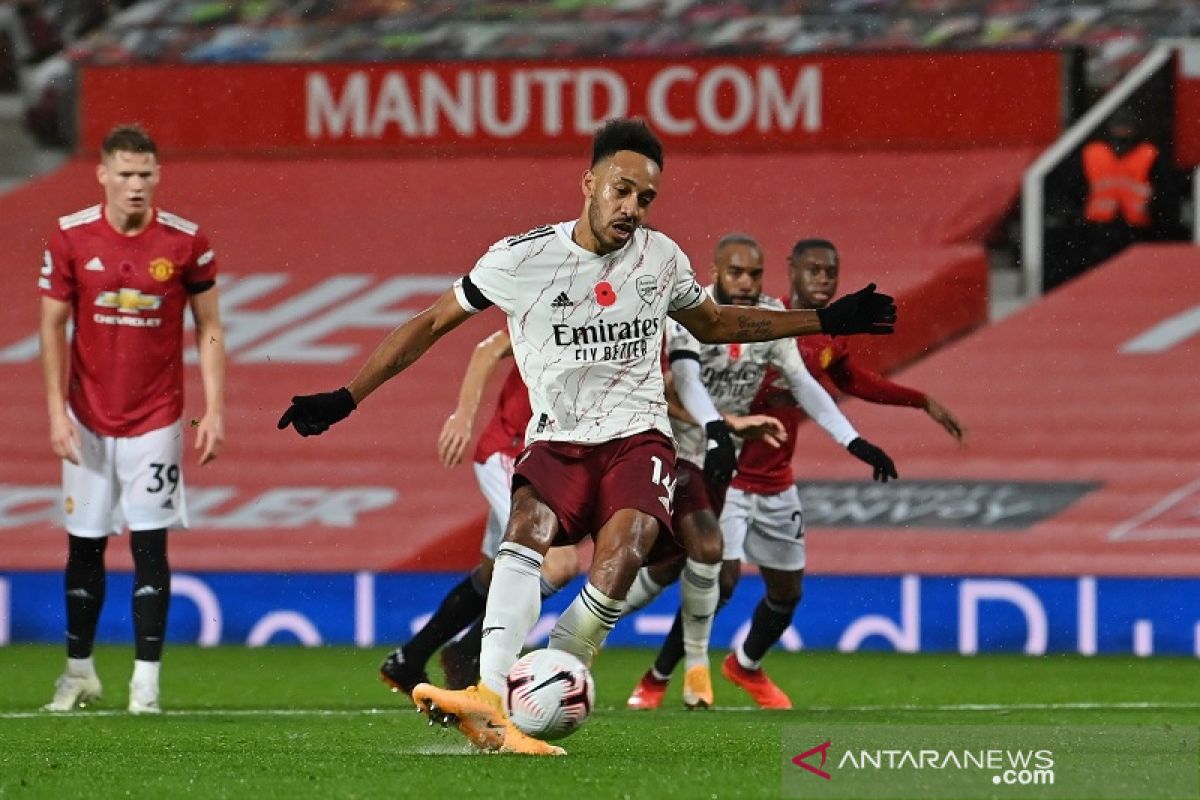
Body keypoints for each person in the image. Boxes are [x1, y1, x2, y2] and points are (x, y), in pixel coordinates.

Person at [278, 118, 895, 755]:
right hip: (556, 438)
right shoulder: (522, 258)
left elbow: (712, 323)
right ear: (589, 184)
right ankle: (491, 699)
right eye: (622, 191)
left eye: (646, 198)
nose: (632, 209)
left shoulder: (661, 258)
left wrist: (823, 317)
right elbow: (432, 322)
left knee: (625, 546)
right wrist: (346, 395)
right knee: (526, 531)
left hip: (637, 437)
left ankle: (558, 666)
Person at [626, 237, 962, 710]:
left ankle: (741, 664)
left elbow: (824, 382)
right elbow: (683, 382)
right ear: (793, 272)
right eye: (814, 271)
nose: (822, 280)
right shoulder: (722, 315)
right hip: (720, 465)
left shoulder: (807, 336)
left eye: (831, 272)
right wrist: (721, 426)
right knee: (703, 572)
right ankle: (657, 676)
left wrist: (861, 437)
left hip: (773, 478)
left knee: (782, 591)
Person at [38, 124, 226, 714]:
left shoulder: (186, 242)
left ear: (157, 176)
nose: (136, 184)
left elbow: (210, 326)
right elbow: (50, 326)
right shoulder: (70, 237)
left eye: (145, 173)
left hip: (156, 420)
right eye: (124, 173)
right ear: (102, 175)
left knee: (150, 547)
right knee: (84, 548)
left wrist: (215, 408)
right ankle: (79, 673)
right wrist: (55, 413)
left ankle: (145, 683)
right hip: (87, 419)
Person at [378, 329, 578, 695]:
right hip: (510, 453)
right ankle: (470, 653)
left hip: (545, 462)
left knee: (491, 576)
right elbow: (487, 349)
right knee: (559, 563)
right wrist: (462, 416)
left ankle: (408, 659)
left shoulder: (616, 317)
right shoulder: (553, 300)